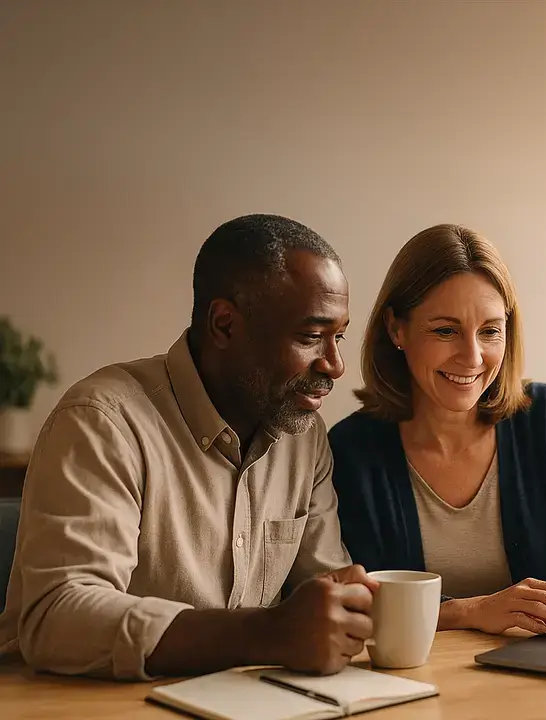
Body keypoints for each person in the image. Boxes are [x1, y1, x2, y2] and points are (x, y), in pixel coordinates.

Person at [0, 214, 378, 680]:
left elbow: (323, 598)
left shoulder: (303, 435)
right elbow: (56, 617)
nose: (336, 365)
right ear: (224, 324)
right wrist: (265, 633)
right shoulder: (102, 422)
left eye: (338, 336)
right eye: (310, 336)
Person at [329, 224, 546, 637]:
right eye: (445, 330)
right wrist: (474, 612)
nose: (472, 357)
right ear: (396, 329)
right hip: (418, 685)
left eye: (490, 331)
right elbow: (366, 602)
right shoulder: (351, 451)